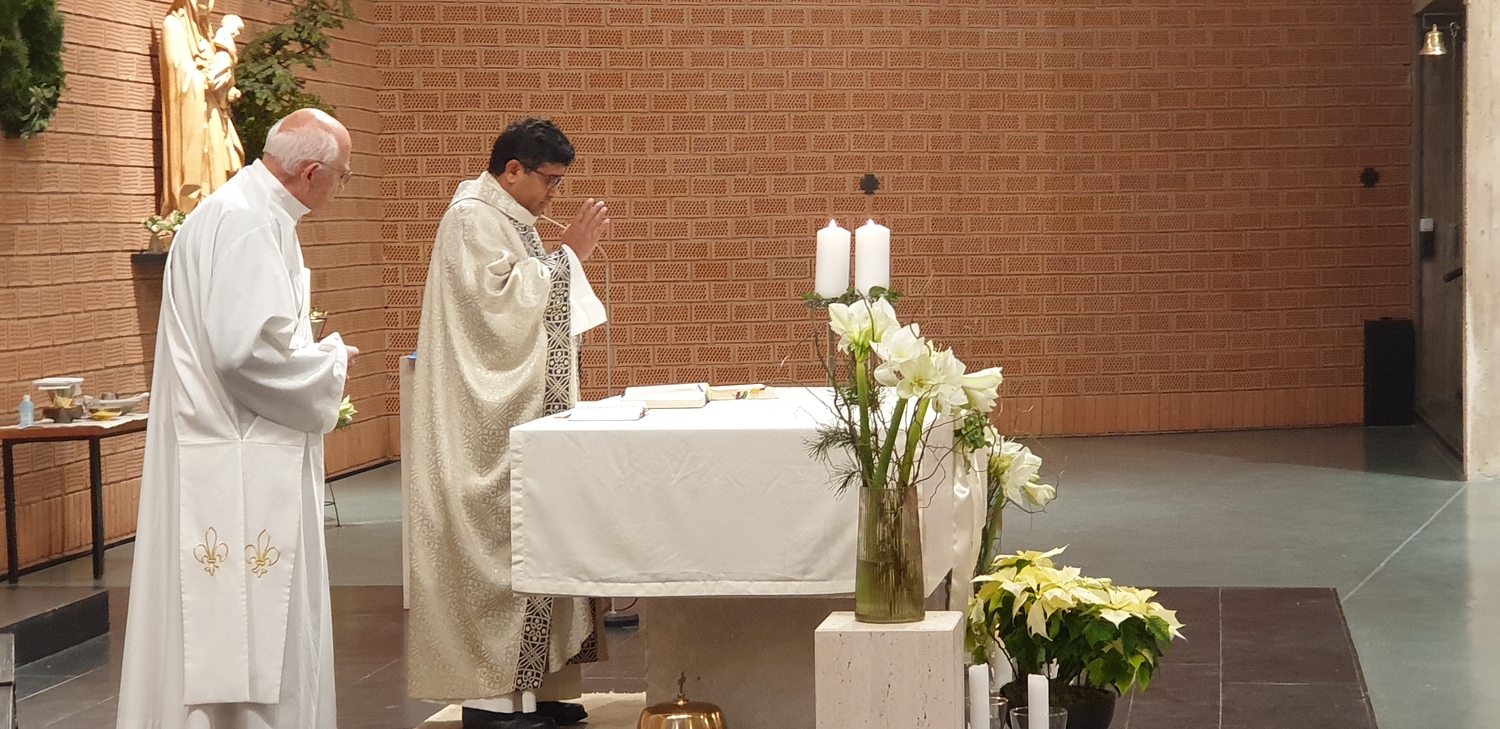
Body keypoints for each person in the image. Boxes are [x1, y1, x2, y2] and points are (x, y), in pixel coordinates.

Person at [116, 108, 359, 729]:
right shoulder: (247, 222)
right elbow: (243, 352)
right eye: (343, 175)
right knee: (243, 623)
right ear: (311, 172)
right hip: (237, 456)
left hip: (226, 445)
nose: (343, 187)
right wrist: (328, 364)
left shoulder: (244, 210)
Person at [407, 118, 611, 729]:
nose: (554, 194)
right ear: (513, 170)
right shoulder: (472, 218)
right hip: (485, 421)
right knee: (499, 543)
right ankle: (493, 700)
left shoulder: (509, 219)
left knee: (537, 535)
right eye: (549, 180)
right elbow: (495, 314)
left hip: (516, 411)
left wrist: (560, 259)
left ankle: (538, 690)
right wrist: (569, 256)